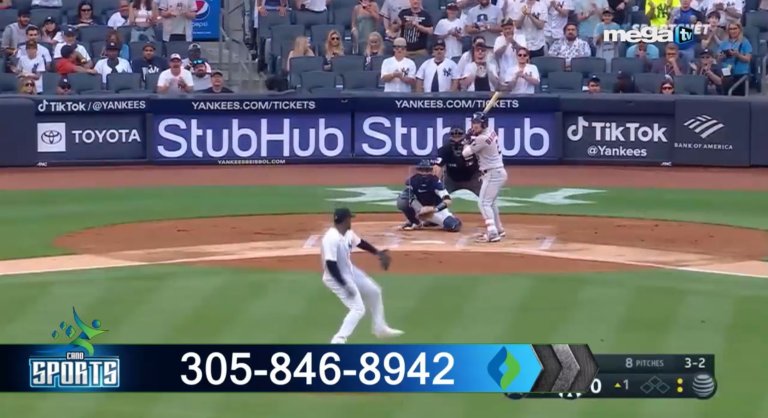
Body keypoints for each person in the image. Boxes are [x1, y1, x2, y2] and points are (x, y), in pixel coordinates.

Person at [320, 208, 403, 344]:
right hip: (334, 277)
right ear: (346, 220)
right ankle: (339, 339)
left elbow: (360, 243)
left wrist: (378, 253)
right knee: (358, 309)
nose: (351, 221)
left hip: (350, 272)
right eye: (350, 219)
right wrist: (344, 285)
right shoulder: (331, 238)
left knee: (374, 291)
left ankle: (380, 328)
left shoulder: (347, 233)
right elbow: (331, 265)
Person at [461, 112, 508, 243]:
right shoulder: (491, 131)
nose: (474, 126)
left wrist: (467, 140)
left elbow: (465, 154)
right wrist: (473, 136)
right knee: (491, 203)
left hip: (492, 173)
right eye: (473, 123)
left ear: (484, 124)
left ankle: (492, 233)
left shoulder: (482, 139)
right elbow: (478, 138)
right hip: (497, 172)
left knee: (483, 203)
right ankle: (498, 229)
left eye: (477, 123)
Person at [395, 160, 463, 232]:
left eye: (427, 170)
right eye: (422, 170)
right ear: (417, 170)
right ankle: (415, 222)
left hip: (435, 210)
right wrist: (420, 209)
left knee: (453, 226)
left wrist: (434, 209)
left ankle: (433, 221)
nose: (424, 173)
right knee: (402, 200)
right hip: (421, 210)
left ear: (431, 171)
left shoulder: (436, 182)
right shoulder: (412, 181)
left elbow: (448, 201)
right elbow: (406, 196)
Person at [434, 127, 482, 196]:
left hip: (472, 179)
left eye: (459, 136)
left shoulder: (473, 148)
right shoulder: (445, 149)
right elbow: (437, 167)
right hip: (452, 179)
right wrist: (437, 185)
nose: (456, 140)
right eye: (454, 136)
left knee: (482, 199)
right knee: (443, 197)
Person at [718, 21, 751, 96]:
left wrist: (738, 55)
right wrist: (723, 56)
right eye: (730, 29)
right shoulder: (724, 43)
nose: (732, 31)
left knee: (738, 97)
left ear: (739, 29)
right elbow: (718, 57)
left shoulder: (745, 42)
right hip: (727, 73)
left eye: (735, 28)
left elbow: (748, 59)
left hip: (740, 73)